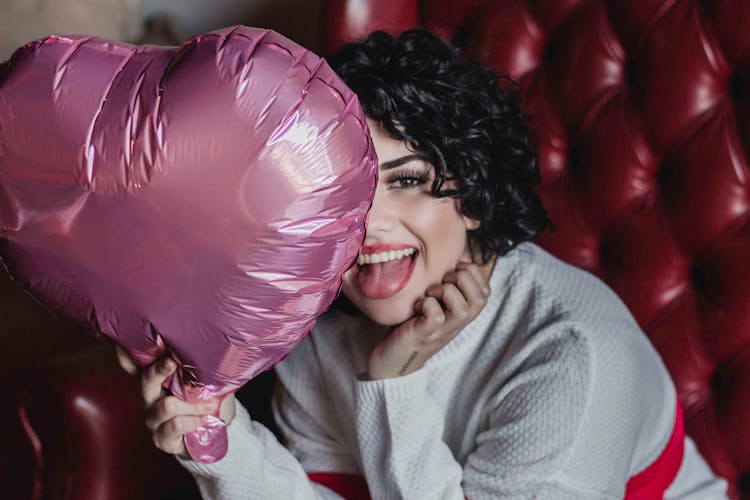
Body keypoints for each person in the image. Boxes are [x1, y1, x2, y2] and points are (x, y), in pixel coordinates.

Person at [118, 29, 728, 499]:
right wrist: (219, 441)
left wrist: (393, 380)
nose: (367, 226)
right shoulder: (319, 332)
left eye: (405, 180)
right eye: (338, 191)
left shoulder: (574, 350)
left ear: (470, 191)